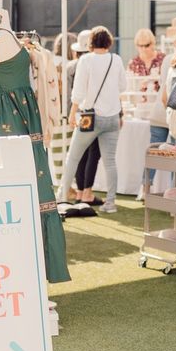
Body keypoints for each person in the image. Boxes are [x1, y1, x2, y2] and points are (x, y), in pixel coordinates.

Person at [58, 26, 127, 213]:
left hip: (90, 117)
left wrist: (72, 113)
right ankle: (110, 203)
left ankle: (61, 197)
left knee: (73, 157)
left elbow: (78, 91)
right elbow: (122, 87)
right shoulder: (116, 59)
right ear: (109, 42)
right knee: (110, 162)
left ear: (91, 42)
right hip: (112, 117)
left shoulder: (86, 60)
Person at [129, 28, 169, 196]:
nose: (144, 48)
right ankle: (145, 186)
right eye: (140, 45)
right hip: (144, 110)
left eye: (146, 45)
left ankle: (172, 189)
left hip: (161, 109)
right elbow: (130, 88)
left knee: (165, 149)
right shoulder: (134, 62)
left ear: (153, 44)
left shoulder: (163, 59)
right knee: (153, 149)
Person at [65, 29, 102, 204]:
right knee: (93, 153)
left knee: (80, 153)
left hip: (76, 112)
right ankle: (87, 193)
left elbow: (68, 93)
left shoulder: (71, 66)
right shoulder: (93, 65)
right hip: (92, 112)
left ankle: (80, 192)